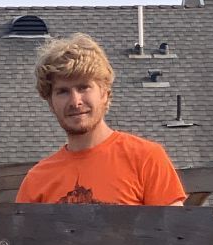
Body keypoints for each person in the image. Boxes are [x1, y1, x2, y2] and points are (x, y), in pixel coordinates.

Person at [15, 34, 186, 207]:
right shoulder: (36, 180)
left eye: (83, 87)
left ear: (104, 93)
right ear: (50, 102)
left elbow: (177, 232)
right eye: (63, 91)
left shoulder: (146, 159)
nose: (75, 101)